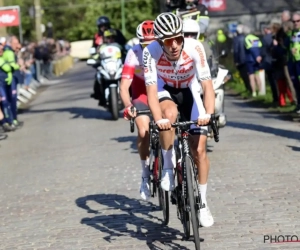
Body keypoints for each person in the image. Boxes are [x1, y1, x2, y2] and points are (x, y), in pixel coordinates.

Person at [143, 12, 215, 227]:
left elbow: (207, 87)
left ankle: (202, 202)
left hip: (191, 90)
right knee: (169, 115)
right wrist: (158, 119)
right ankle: (167, 166)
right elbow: (151, 92)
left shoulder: (195, 47)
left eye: (178, 39)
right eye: (168, 41)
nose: (174, 45)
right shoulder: (151, 52)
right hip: (166, 91)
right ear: (159, 41)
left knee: (199, 150)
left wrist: (207, 115)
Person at [120, 20, 156, 200]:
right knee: (143, 132)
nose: (149, 48)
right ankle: (145, 175)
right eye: (145, 44)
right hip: (141, 93)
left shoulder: (164, 49)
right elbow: (124, 86)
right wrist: (128, 106)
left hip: (160, 91)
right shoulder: (133, 53)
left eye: (153, 43)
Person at [91, 16, 127, 100]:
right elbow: (94, 49)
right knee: (98, 76)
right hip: (104, 61)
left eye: (105, 25)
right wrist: (95, 56)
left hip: (118, 60)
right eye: (101, 26)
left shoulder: (116, 32)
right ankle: (99, 95)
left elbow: (124, 43)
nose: (103, 27)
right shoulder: (97, 36)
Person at [3, 36, 23, 128]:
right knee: (11, 100)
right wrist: (18, 65)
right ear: (10, 43)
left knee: (13, 100)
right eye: (15, 43)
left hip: (13, 78)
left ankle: (13, 119)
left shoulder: (13, 52)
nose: (17, 45)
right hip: (9, 79)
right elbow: (10, 66)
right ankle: (11, 120)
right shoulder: (8, 52)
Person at [0, 41, 15, 132]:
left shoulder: (4, 57)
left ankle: (5, 123)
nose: (2, 49)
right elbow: (8, 68)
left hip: (3, 83)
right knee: (5, 102)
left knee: (5, 102)